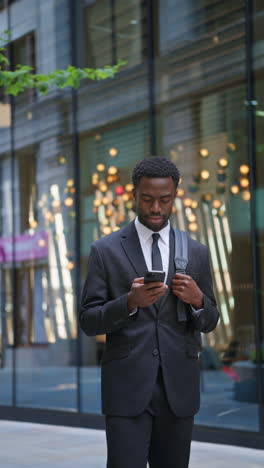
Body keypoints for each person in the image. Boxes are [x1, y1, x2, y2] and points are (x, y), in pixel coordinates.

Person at [80, 157, 219, 468]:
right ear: (134, 195)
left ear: (175, 197)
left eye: (164, 200)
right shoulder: (105, 250)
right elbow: (88, 320)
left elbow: (210, 320)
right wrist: (129, 302)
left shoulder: (196, 251)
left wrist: (198, 300)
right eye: (147, 199)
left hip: (178, 390)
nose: (156, 208)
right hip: (127, 388)